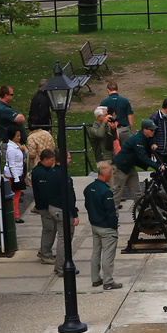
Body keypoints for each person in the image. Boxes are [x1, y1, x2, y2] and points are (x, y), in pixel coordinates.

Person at [31, 148, 78, 273]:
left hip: (51, 208)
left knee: (56, 233)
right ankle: (57, 263)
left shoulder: (49, 173)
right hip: (54, 209)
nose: (70, 160)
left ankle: (52, 257)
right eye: (68, 158)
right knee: (61, 236)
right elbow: (69, 197)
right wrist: (74, 213)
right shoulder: (49, 174)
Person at [85, 162, 122, 291]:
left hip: (94, 225)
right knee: (108, 254)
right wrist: (114, 226)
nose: (111, 177)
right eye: (111, 174)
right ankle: (108, 281)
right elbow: (110, 212)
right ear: (106, 175)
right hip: (106, 228)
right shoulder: (106, 192)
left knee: (96, 252)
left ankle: (95, 279)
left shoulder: (89, 188)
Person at [112, 119, 158, 209]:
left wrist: (153, 143)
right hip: (121, 167)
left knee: (137, 191)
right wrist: (157, 166)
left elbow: (151, 139)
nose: (154, 132)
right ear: (145, 130)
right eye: (152, 130)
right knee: (116, 194)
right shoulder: (138, 140)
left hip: (129, 166)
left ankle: (143, 211)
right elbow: (142, 157)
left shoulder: (145, 136)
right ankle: (112, 218)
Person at [2, 128, 28, 223]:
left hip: (16, 174)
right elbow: (12, 164)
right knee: (15, 197)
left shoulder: (16, 147)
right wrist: (16, 178)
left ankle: (15, 214)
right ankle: (15, 215)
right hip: (14, 176)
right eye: (17, 135)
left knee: (16, 196)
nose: (19, 137)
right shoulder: (12, 150)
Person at [149, 99, 167, 171]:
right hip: (159, 150)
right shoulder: (155, 118)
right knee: (160, 172)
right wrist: (152, 145)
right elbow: (150, 133)